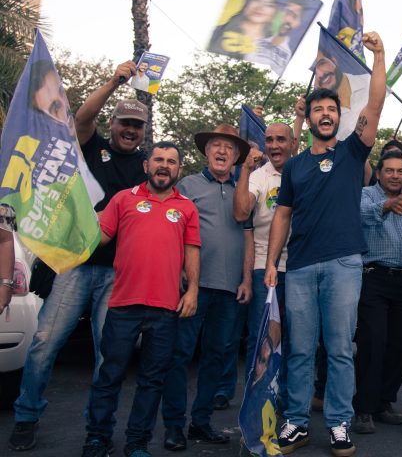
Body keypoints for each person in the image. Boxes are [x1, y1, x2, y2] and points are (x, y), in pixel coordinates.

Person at [8, 62, 148, 452]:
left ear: (142, 132)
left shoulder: (146, 165)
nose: (130, 130)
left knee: (109, 355)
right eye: (124, 123)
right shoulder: (92, 146)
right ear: (115, 123)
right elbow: (81, 118)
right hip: (77, 265)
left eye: (137, 126)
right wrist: (115, 81)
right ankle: (27, 416)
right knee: (44, 343)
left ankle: (97, 428)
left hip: (118, 274)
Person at [266, 32, 386, 457]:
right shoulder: (294, 166)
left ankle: (338, 423)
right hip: (298, 266)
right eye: (317, 109)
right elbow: (282, 215)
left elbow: (375, 104)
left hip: (343, 264)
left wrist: (379, 55)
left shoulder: (354, 153)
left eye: (330, 109)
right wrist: (270, 263)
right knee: (300, 349)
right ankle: (296, 422)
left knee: (339, 348)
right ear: (311, 118)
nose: (324, 114)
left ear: (339, 116)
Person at [80, 141, 201, 457]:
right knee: (110, 375)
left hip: (165, 308)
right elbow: (100, 237)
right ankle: (97, 437)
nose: (164, 165)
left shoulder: (187, 207)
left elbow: (192, 251)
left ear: (178, 170)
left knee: (152, 380)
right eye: (158, 159)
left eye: (171, 161)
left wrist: (193, 290)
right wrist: (70, 224)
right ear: (145, 165)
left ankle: (137, 443)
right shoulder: (123, 199)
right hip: (123, 305)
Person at [161, 124, 253, 450]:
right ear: (207, 151)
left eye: (229, 147)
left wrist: (245, 279)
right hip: (193, 288)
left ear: (238, 156)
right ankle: (173, 425)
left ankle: (200, 422)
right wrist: (179, 280)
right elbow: (172, 234)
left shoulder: (245, 188)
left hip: (229, 291)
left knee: (216, 357)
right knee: (180, 355)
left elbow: (247, 235)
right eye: (216, 144)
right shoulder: (188, 185)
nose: (222, 151)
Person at [352, 149, 402, 434]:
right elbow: (357, 214)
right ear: (378, 173)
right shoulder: (366, 195)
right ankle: (363, 408)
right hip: (373, 277)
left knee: (401, 344)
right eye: (389, 170)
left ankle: (383, 402)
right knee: (373, 342)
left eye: (401, 171)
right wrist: (385, 206)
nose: (395, 175)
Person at [214, 121, 296, 410]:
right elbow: (239, 213)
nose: (274, 146)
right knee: (263, 337)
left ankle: (286, 403)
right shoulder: (260, 175)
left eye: (280, 140)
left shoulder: (304, 171)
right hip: (265, 265)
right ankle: (257, 403)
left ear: (293, 142)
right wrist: (246, 169)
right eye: (269, 140)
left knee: (296, 340)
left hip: (300, 266)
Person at [312, 50, 370, 141]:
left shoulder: (370, 83)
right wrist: (300, 118)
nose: (321, 74)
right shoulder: (325, 116)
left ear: (334, 61)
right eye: (315, 72)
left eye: (322, 63)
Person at [208, 0, 278, 58]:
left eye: (269, 4)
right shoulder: (218, 31)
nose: (261, 7)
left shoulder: (273, 48)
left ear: (275, 12)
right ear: (246, 1)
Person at [250, 0, 306, 75]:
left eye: (294, 16)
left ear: (297, 23)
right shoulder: (254, 36)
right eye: (287, 13)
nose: (288, 19)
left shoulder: (289, 54)